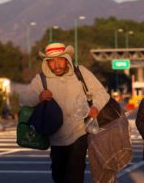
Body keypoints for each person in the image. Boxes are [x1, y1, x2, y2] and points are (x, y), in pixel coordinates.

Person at [19, 42, 110, 183]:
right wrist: (38, 97)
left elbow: (102, 93)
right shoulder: (41, 79)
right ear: (46, 63)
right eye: (52, 61)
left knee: (75, 175)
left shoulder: (81, 73)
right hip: (55, 138)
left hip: (79, 132)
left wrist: (95, 107)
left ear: (67, 59)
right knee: (58, 176)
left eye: (60, 60)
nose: (57, 65)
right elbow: (23, 98)